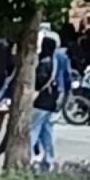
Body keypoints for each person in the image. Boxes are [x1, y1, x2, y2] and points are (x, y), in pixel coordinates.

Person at [32, 36, 61, 170]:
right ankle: (50, 158)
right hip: (50, 101)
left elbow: (39, 80)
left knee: (33, 129)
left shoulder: (43, 62)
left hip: (39, 101)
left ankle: (29, 156)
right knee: (46, 132)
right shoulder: (55, 61)